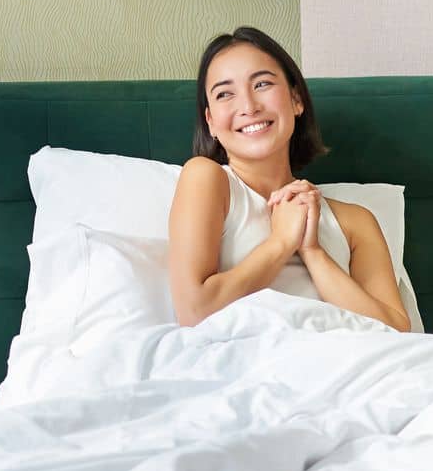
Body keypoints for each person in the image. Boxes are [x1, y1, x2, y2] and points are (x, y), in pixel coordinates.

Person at [168, 24, 410, 332]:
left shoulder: (355, 221)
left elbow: (397, 333)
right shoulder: (206, 178)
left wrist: (313, 252)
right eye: (225, 93)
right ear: (211, 121)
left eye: (262, 84)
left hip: (351, 365)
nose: (248, 106)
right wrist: (281, 242)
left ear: (296, 100)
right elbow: (194, 312)